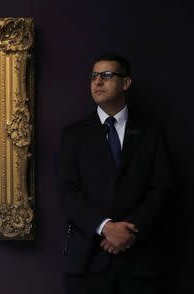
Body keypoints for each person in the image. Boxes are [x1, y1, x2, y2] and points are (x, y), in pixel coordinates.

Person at [58, 54, 171, 294]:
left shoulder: (151, 133)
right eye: (93, 76)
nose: (97, 82)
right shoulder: (73, 135)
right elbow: (68, 192)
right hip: (87, 262)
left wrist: (129, 232)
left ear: (126, 83)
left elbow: (161, 189)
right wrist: (105, 227)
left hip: (141, 263)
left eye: (107, 75)